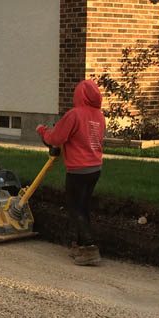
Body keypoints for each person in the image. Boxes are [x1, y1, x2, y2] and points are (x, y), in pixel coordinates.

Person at [36, 79, 106, 266]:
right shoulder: (99, 116)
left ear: (79, 95)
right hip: (95, 168)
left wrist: (43, 131)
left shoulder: (74, 115)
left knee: (75, 208)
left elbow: (56, 137)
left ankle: (90, 248)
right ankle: (81, 245)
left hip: (78, 169)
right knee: (83, 207)